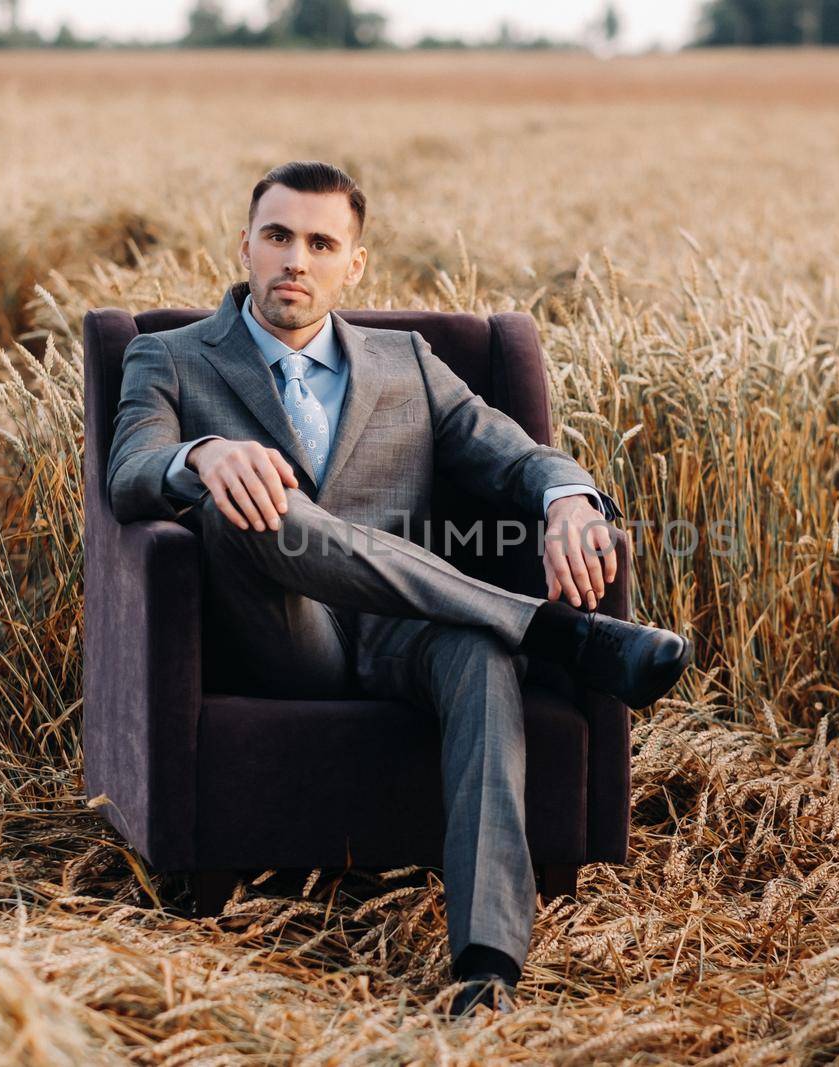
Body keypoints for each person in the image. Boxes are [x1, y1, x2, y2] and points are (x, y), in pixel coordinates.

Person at [106, 160, 690, 1018]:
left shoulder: (407, 364)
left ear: (355, 265)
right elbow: (126, 471)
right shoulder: (170, 356)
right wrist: (200, 456)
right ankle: (553, 630)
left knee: (480, 651)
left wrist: (569, 497)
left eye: (319, 242)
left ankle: (487, 965)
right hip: (278, 635)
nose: (293, 260)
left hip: (404, 629)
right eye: (276, 237)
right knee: (249, 501)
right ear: (245, 246)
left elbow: (516, 454)